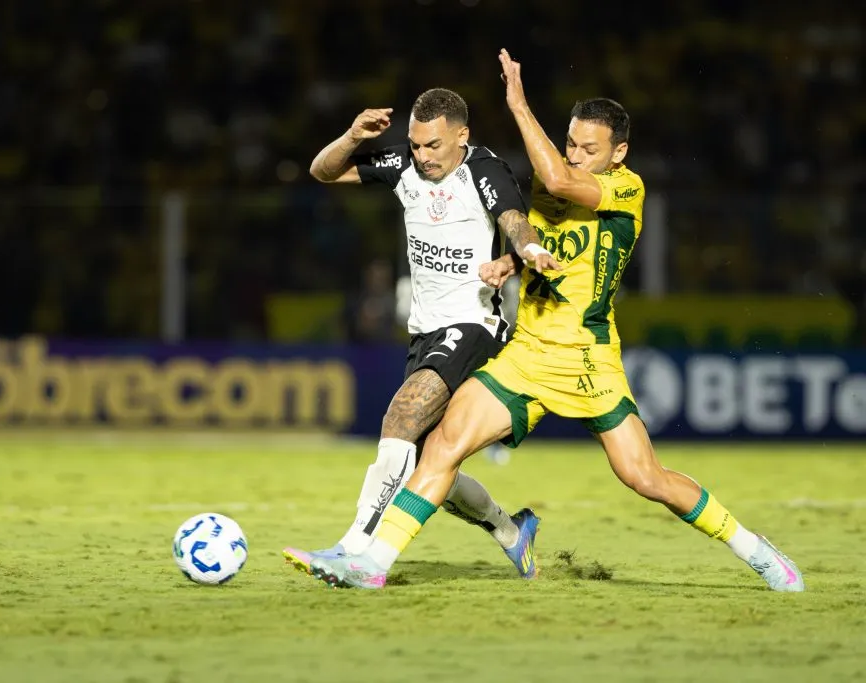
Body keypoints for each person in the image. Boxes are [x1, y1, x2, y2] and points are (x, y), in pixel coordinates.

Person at [307, 49, 805, 592]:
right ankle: (373, 563)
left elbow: (558, 184)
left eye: (589, 148)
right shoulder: (550, 184)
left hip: (588, 359)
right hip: (526, 353)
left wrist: (518, 105)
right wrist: (511, 260)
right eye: (570, 144)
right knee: (442, 446)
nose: (575, 155)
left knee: (646, 478)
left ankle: (753, 548)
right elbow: (530, 234)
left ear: (619, 153)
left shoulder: (624, 189)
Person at [283, 87, 560, 579]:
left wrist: (529, 254)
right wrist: (351, 136)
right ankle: (512, 533)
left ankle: (355, 550)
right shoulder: (405, 167)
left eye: (433, 146)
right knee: (432, 464)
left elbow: (516, 223)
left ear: (462, 136)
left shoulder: (485, 171)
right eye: (415, 145)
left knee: (403, 415)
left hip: (477, 324)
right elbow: (323, 171)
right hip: (425, 332)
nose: (422, 156)